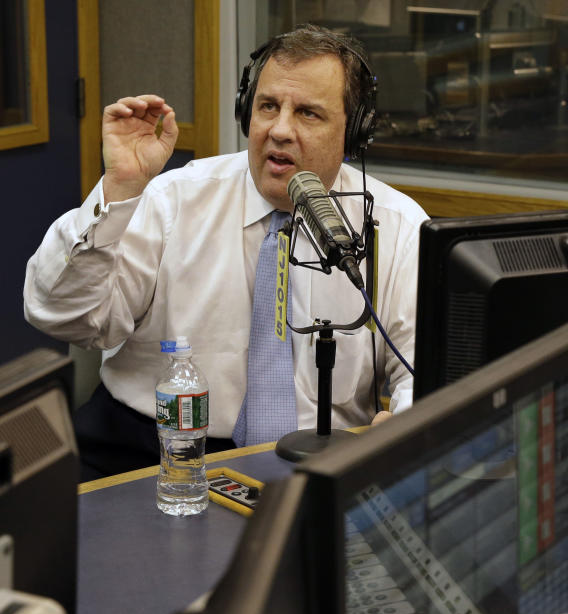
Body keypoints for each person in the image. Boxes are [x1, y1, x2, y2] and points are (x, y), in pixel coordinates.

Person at [23, 25, 428, 480]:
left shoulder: (394, 224)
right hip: (146, 448)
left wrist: (411, 425)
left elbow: (423, 365)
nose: (279, 130)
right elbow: (59, 315)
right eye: (268, 106)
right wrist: (118, 190)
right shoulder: (173, 198)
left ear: (353, 133)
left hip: (325, 458)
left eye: (309, 114)